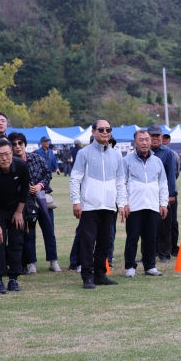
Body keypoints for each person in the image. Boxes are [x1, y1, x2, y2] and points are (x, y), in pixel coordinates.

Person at [70, 120, 127, 289]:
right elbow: (75, 179)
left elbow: (120, 181)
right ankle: (87, 276)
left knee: (105, 241)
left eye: (108, 129)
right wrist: (76, 201)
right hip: (89, 206)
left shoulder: (116, 155)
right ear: (93, 132)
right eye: (101, 129)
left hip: (109, 206)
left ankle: (100, 274)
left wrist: (122, 203)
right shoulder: (84, 153)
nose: (104, 132)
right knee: (87, 241)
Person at [8, 132, 62, 274]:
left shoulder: (36, 158)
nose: (18, 147)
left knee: (49, 231)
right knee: (28, 233)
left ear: (25, 144)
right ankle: (31, 263)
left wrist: (40, 186)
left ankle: (53, 261)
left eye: (20, 143)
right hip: (23, 203)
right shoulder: (9, 163)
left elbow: (47, 174)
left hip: (42, 199)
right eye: (14, 144)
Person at [0, 138, 29, 293]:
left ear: (12, 153)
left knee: (16, 242)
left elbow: (25, 191)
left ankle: (13, 279)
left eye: (7, 154)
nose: (4, 158)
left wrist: (18, 212)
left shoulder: (21, 165)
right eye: (0, 155)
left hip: (16, 207)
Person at [122, 129, 168, 277]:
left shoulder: (157, 161)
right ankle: (130, 266)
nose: (145, 142)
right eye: (141, 140)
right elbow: (121, 183)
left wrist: (163, 203)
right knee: (132, 237)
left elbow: (163, 184)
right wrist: (124, 203)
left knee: (151, 237)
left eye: (147, 139)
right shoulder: (127, 161)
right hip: (134, 206)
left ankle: (150, 266)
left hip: (153, 205)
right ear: (135, 142)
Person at [147, 126, 176, 263]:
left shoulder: (167, 153)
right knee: (146, 225)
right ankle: (148, 253)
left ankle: (164, 254)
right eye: (152, 135)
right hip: (146, 194)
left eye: (158, 135)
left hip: (163, 194)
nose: (155, 138)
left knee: (165, 224)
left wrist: (171, 194)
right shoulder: (141, 151)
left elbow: (171, 174)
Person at [162, 132, 181, 257]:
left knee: (172, 221)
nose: (163, 140)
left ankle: (173, 247)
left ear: (169, 140)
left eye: (166, 138)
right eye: (161, 138)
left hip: (170, 192)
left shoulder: (173, 155)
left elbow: (176, 173)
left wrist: (171, 191)